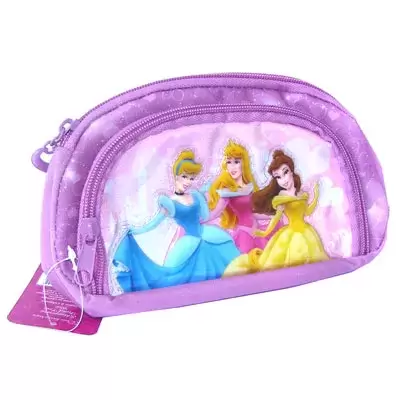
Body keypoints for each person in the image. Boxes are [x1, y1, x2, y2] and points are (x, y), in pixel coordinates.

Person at [112, 150, 241, 292]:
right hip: (189, 243)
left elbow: (205, 216)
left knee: (227, 265)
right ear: (176, 175)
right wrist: (136, 230)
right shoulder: (170, 202)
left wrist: (209, 197)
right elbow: (155, 222)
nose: (187, 182)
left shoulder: (195, 195)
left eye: (191, 178)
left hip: (207, 236)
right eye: (184, 177)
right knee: (174, 279)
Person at [223, 149, 329, 277]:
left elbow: (307, 211)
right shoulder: (281, 197)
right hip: (290, 234)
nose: (283, 180)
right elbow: (276, 218)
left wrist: (316, 195)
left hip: (306, 232)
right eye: (278, 177)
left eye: (285, 172)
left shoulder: (302, 194)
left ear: (291, 171)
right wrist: (264, 232)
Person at [207, 140, 281, 253]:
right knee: (246, 260)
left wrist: (271, 216)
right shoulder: (227, 192)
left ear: (244, 163)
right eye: (229, 162)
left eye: (236, 162)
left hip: (256, 232)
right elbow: (216, 212)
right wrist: (199, 219)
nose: (232, 167)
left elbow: (252, 213)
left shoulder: (249, 187)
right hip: (244, 234)